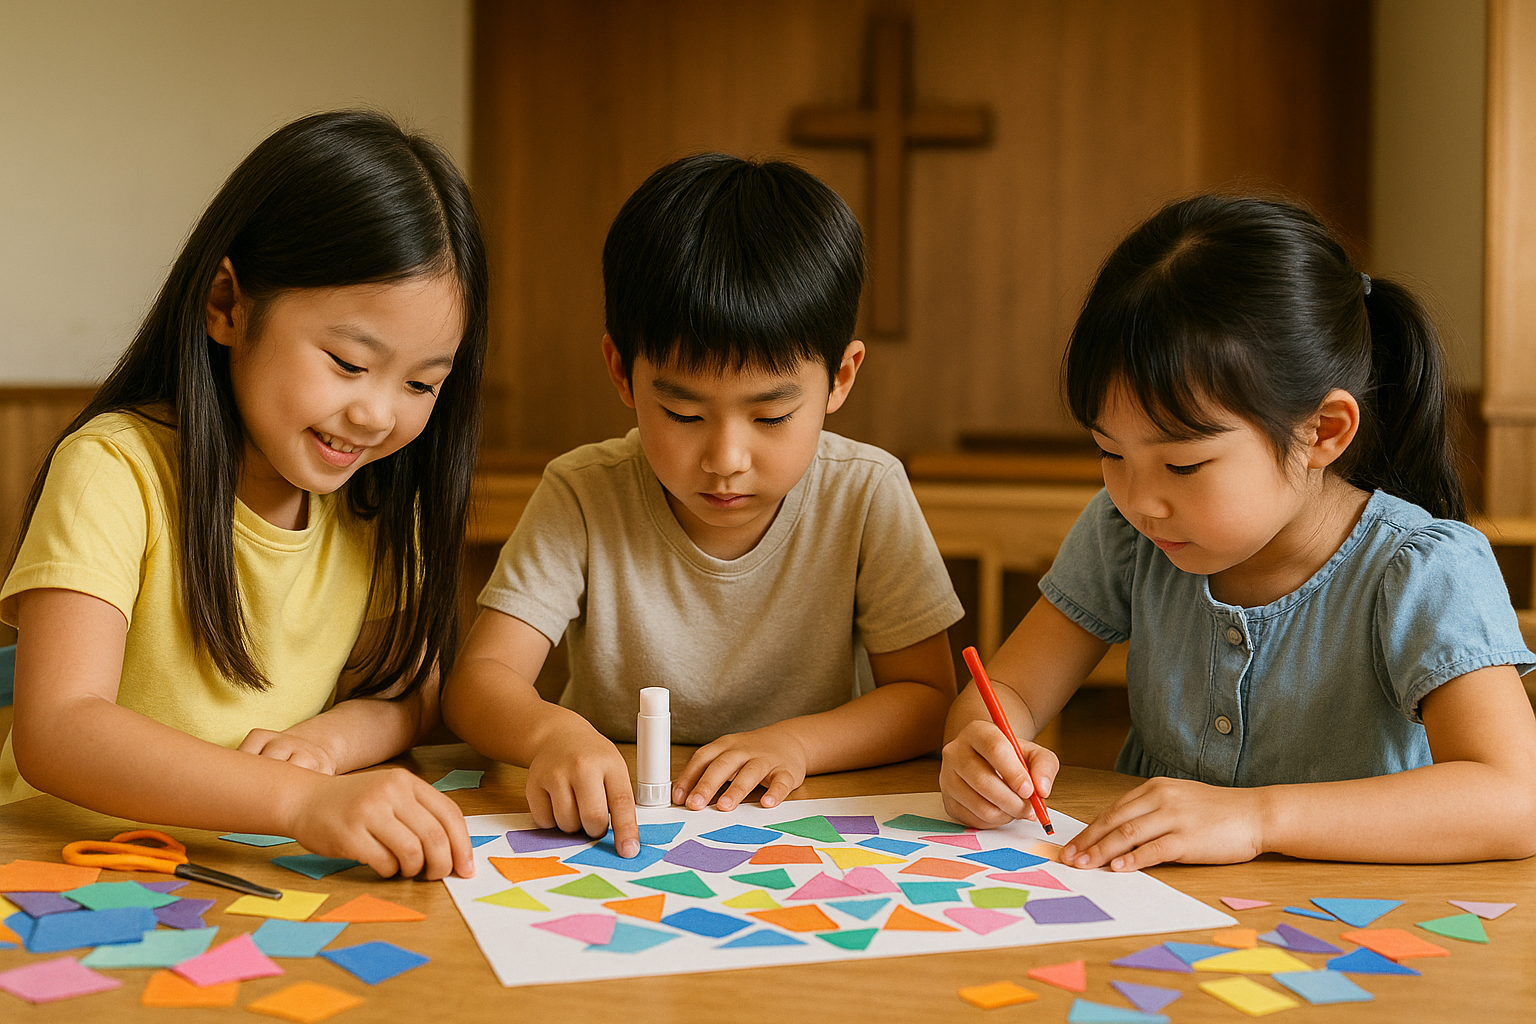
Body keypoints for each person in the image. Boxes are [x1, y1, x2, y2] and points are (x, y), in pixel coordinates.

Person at [941, 194, 1536, 868]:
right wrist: (980, 752)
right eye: (1111, 453)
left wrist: (1257, 818)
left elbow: (1514, 799)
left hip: (1352, 933)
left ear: (1323, 431)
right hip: (1152, 916)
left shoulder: (1422, 569)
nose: (1141, 500)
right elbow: (1008, 694)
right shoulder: (1126, 537)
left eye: (1183, 463)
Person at [1, 111, 486, 880]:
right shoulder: (115, 468)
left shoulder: (378, 500)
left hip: (250, 870)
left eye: (422, 382)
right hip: (73, 871)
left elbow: (409, 693)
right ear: (228, 304)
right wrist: (297, 800)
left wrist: (329, 745)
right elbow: (59, 728)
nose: (378, 414)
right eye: (349, 362)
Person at [445, 153, 963, 856]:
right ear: (621, 372)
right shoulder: (583, 491)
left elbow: (930, 700)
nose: (725, 459)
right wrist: (551, 734)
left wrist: (796, 743)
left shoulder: (866, 492)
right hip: (614, 826)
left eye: (771, 417)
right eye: (684, 414)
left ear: (841, 377)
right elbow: (481, 681)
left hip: (803, 825)